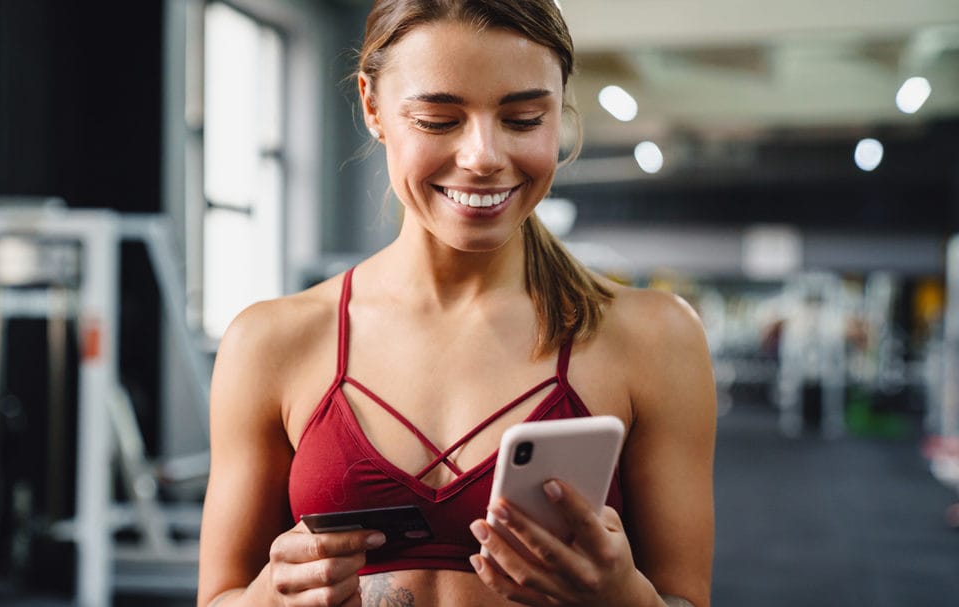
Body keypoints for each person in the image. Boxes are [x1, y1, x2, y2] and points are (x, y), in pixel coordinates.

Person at [197, 1, 716, 606]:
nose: (483, 156)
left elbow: (684, 596)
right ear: (372, 107)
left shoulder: (654, 337)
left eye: (523, 119)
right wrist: (268, 597)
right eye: (438, 120)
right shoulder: (270, 343)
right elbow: (220, 598)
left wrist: (624, 597)